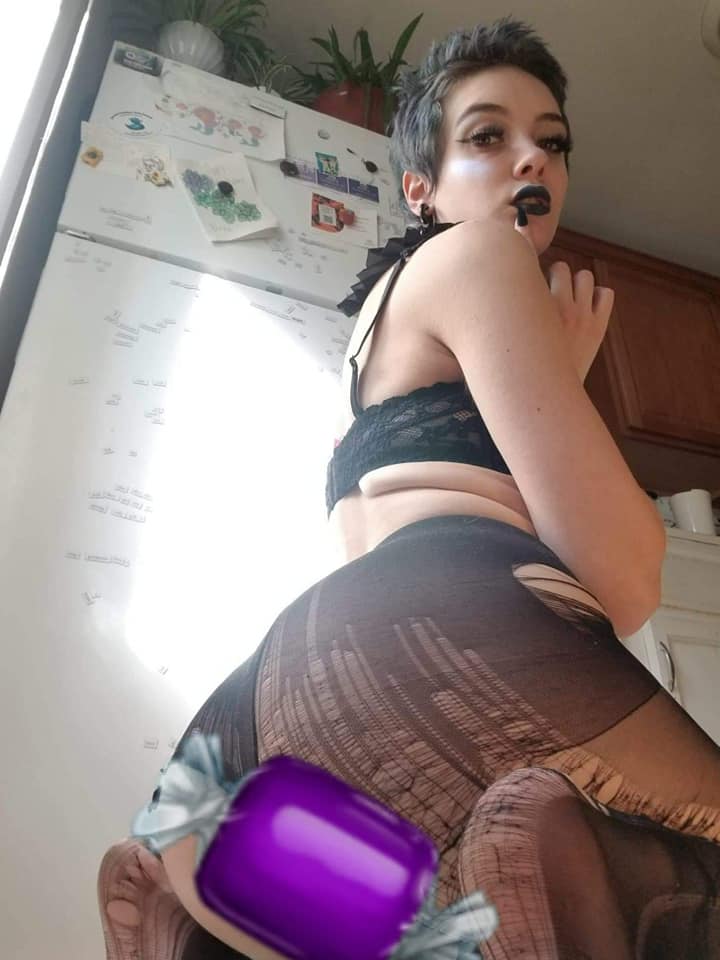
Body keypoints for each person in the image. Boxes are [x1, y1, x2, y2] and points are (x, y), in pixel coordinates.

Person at [98, 16, 720, 960]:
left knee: (449, 937)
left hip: (253, 716)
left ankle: (193, 923)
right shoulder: (483, 253)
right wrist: (565, 382)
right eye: (487, 135)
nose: (532, 161)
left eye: (552, 142)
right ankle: (574, 856)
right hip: (450, 634)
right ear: (418, 187)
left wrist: (549, 371)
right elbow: (622, 575)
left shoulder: (366, 355)